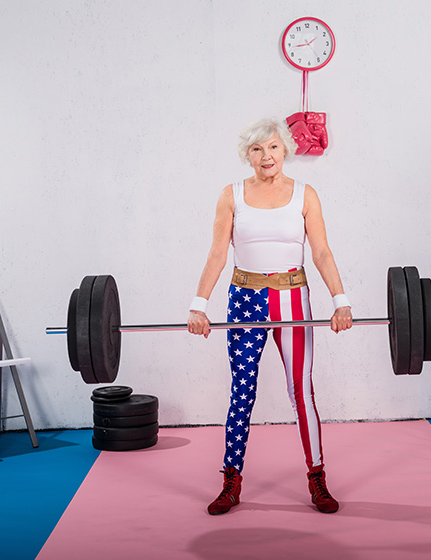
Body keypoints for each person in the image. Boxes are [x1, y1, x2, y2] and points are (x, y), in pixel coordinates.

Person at [187, 117, 353, 515]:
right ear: (248, 155)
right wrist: (199, 305)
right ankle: (231, 480)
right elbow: (217, 254)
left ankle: (317, 478)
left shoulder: (305, 195)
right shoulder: (231, 195)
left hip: (294, 300)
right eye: (258, 149)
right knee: (242, 391)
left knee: (301, 391)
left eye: (274, 147)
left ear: (285, 151)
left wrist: (340, 300)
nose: (267, 156)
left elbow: (322, 253)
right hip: (245, 300)